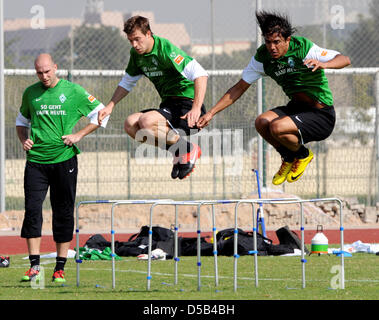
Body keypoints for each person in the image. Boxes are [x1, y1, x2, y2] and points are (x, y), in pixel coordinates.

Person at [197, 11, 351, 185]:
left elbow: (344, 59)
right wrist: (210, 113)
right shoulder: (263, 58)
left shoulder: (303, 48)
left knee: (277, 127)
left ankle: (302, 155)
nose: (272, 47)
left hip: (321, 115)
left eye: (277, 42)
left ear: (288, 40)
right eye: (268, 42)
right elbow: (238, 88)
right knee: (261, 122)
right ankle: (288, 157)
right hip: (296, 108)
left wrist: (324, 63)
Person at [15, 53, 109, 283]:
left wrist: (79, 134)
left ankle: (60, 268)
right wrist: (23, 140)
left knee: (63, 210)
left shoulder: (74, 91)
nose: (44, 76)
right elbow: (20, 121)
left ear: (55, 68)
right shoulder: (31, 93)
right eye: (39, 72)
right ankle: (34, 266)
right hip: (36, 162)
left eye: (47, 71)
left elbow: (102, 113)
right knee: (33, 210)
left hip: (64, 160)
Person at [98, 15, 208, 180]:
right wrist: (110, 106)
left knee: (147, 122)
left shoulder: (165, 49)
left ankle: (187, 148)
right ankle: (178, 150)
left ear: (148, 34)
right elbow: (127, 82)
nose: (134, 45)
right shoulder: (136, 55)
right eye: (130, 41)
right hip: (169, 105)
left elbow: (201, 74)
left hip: (188, 107)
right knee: (130, 125)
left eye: (137, 39)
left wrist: (196, 108)